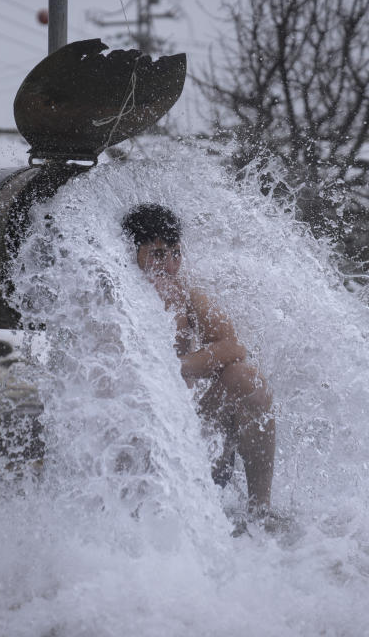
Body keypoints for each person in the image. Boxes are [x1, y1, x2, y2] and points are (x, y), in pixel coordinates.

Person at [121, 203, 276, 515]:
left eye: (176, 253)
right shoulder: (116, 296)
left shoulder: (187, 296)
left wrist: (176, 366)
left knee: (248, 378)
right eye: (158, 254)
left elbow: (233, 347)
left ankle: (261, 510)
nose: (169, 265)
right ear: (130, 253)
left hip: (197, 440)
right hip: (136, 449)